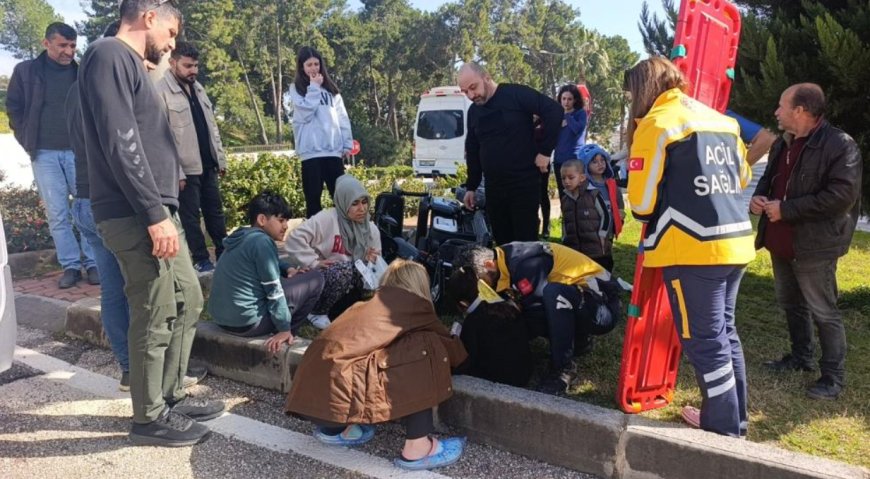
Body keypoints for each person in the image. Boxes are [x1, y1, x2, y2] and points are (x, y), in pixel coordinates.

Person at [78, 0, 224, 447]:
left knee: (189, 298)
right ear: (149, 17)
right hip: (135, 214)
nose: (173, 42)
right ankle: (149, 418)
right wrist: (152, 214)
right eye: (172, 31)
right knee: (156, 309)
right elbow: (121, 141)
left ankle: (170, 396)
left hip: (158, 211)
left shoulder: (131, 66)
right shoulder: (108, 55)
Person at [66, 21, 206, 393]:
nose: (165, 49)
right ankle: (140, 381)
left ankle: (147, 380)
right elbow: (117, 145)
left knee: (135, 295)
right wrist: (152, 208)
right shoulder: (107, 67)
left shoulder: (96, 81)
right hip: (116, 201)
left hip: (115, 199)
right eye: (167, 37)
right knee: (138, 298)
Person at [624, 57, 755, 437]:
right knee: (725, 333)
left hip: (693, 248)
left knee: (704, 341)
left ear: (643, 88)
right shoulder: (722, 121)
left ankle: (723, 427)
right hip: (736, 242)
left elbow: (642, 205)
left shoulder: (656, 124)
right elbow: (742, 176)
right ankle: (734, 416)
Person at [284, 259, 467, 471]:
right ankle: (418, 447)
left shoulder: (365, 305)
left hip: (312, 401)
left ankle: (337, 430)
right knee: (425, 346)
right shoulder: (417, 307)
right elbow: (451, 349)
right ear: (419, 285)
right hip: (338, 400)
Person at [750, 83, 863, 400]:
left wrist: (786, 209)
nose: (776, 111)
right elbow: (769, 179)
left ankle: (832, 377)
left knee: (824, 311)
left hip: (815, 246)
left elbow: (842, 196)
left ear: (800, 111)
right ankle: (801, 358)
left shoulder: (841, 145)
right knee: (791, 305)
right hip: (780, 242)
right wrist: (761, 198)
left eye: (781, 105)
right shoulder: (782, 143)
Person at [451, 242, 621, 395]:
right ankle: (579, 341)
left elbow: (536, 311)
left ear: (489, 264)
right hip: (582, 302)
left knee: (551, 296)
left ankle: (563, 369)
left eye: (482, 282)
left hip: (603, 307)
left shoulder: (524, 266)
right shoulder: (502, 260)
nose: (482, 288)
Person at [6, 22, 97, 289]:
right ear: (47, 43)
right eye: (62, 45)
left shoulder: (83, 73)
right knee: (57, 214)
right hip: (44, 153)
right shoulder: (26, 71)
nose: (69, 51)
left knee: (87, 210)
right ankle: (70, 265)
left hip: (80, 152)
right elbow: (14, 107)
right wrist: (26, 139)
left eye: (72, 46)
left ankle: (93, 262)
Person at [458, 62, 562, 244]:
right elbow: (473, 149)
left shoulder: (516, 94)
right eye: (465, 91)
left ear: (486, 77)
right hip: (494, 188)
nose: (471, 95)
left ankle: (527, 273)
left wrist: (545, 151)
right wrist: (471, 187)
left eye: (473, 88)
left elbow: (554, 110)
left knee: (525, 245)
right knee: (502, 244)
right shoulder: (473, 112)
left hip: (523, 185)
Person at [208, 191, 324, 351]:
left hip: (222, 320)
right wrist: (284, 328)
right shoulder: (262, 242)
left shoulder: (243, 237)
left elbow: (272, 262)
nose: (285, 226)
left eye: (287, 221)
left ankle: (282, 325)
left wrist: (288, 269)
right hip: (248, 324)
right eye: (281, 220)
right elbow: (274, 291)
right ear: (262, 219)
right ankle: (287, 332)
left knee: (286, 279)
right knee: (316, 278)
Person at [156, 41, 228, 273]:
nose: (193, 71)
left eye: (196, 65)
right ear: (173, 62)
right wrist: (175, 172)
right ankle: (200, 259)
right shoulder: (161, 92)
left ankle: (224, 253)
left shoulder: (199, 89)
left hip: (208, 165)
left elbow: (212, 128)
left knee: (215, 212)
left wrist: (220, 159)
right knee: (190, 216)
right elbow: (160, 137)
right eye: (188, 65)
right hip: (185, 169)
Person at [284, 174, 381, 329]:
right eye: (354, 203)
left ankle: (349, 311)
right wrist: (313, 262)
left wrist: (368, 260)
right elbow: (294, 239)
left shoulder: (371, 229)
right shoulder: (327, 218)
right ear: (343, 202)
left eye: (364, 202)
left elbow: (375, 269)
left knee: (366, 277)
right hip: (322, 278)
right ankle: (316, 312)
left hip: (346, 280)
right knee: (343, 270)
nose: (361, 209)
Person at [286, 46, 353, 218]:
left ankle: (345, 238)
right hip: (311, 154)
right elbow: (306, 112)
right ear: (302, 67)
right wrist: (314, 87)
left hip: (332, 151)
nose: (314, 68)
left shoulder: (332, 91)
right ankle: (315, 240)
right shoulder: (296, 89)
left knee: (341, 199)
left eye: (316, 64)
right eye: (309, 65)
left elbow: (342, 119)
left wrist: (346, 144)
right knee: (313, 201)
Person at [559, 160, 615, 272]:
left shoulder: (593, 194)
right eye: (563, 178)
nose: (566, 181)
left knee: (602, 275)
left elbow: (606, 215)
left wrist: (603, 234)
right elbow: (565, 221)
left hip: (597, 248)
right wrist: (565, 237)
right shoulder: (565, 199)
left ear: (582, 178)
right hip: (575, 249)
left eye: (571, 177)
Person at [553, 84, 588, 195]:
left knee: (578, 194)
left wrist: (567, 116)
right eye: (563, 99)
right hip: (558, 161)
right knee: (563, 195)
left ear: (575, 100)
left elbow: (577, 129)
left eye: (569, 99)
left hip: (574, 160)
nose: (566, 102)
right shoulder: (557, 116)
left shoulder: (580, 114)